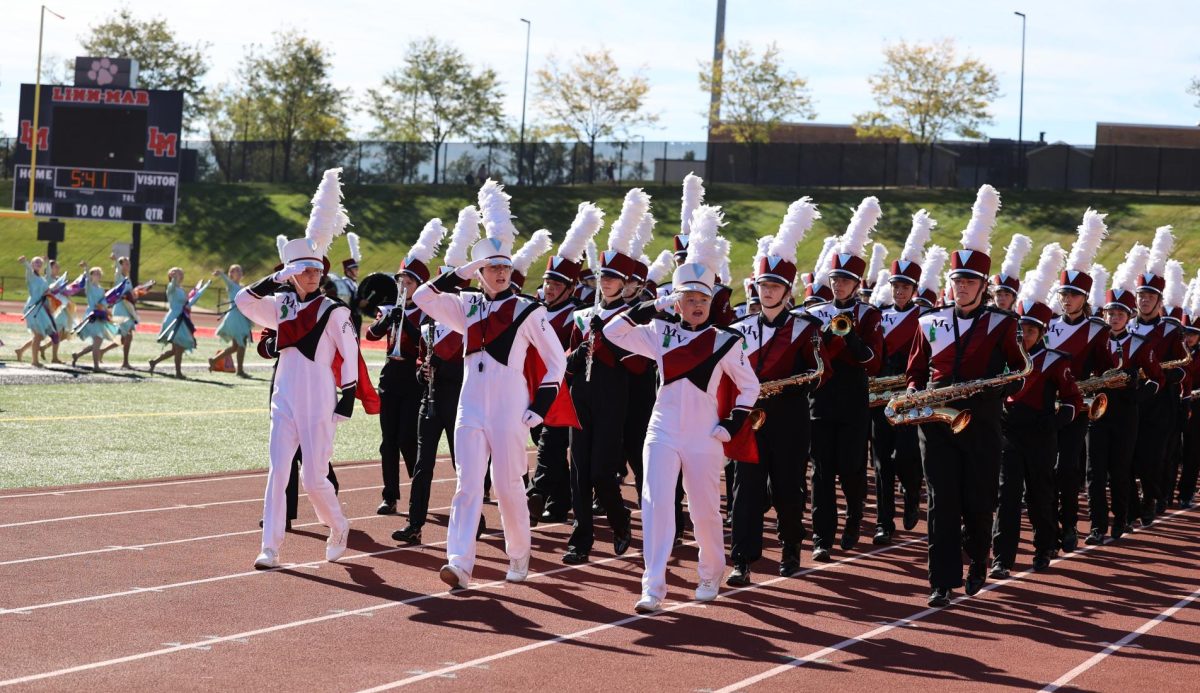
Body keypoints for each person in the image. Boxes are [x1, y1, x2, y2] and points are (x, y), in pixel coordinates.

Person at [413, 180, 570, 590]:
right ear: (480, 272)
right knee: (467, 485)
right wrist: (462, 270)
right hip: (471, 407)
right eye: (491, 267)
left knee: (506, 486)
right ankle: (459, 562)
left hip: (509, 408)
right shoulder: (466, 305)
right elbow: (423, 299)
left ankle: (519, 553)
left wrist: (540, 405)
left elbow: (556, 362)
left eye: (504, 267)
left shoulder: (526, 310)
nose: (499, 273)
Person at [605, 204, 759, 613]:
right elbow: (611, 331)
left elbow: (750, 386)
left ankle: (711, 571)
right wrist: (653, 306)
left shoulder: (726, 340)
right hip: (662, 430)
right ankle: (652, 586)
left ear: (712, 301)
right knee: (655, 505)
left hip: (705, 434)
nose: (695, 305)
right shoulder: (659, 332)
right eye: (688, 298)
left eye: (702, 299)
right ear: (677, 300)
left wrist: (730, 424)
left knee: (705, 511)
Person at [235, 166, 362, 570]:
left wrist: (348, 398)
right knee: (278, 471)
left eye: (314, 269)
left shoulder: (334, 309)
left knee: (313, 478)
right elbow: (244, 302)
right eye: (302, 270)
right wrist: (275, 279)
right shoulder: (282, 304)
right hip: (284, 395)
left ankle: (338, 524)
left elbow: (351, 355)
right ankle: (270, 547)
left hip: (320, 397)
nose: (310, 275)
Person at [905, 185, 1025, 608]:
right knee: (941, 501)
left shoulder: (1002, 323)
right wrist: (915, 398)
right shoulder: (930, 321)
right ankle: (941, 581)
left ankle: (977, 558)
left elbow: (1019, 372)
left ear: (983, 286)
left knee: (977, 500)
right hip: (937, 420)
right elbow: (915, 372)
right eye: (957, 280)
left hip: (983, 420)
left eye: (970, 281)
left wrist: (1001, 387)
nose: (961, 287)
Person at [727, 198, 829, 586]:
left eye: (774, 286)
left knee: (788, 487)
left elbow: (820, 374)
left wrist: (798, 381)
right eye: (763, 285)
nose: (767, 291)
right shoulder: (740, 327)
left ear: (787, 292)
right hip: (750, 415)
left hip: (789, 415)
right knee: (745, 489)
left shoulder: (805, 328)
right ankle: (742, 559)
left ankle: (790, 546)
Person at [560, 190, 649, 564]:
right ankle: (581, 540)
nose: (607, 282)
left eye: (614, 277)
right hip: (581, 397)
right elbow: (567, 357)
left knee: (600, 471)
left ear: (624, 280)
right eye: (603, 276)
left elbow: (640, 365)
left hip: (615, 398)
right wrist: (578, 353)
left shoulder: (636, 315)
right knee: (578, 471)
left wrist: (607, 341)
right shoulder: (583, 315)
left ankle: (619, 517)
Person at [991, 244, 1083, 577]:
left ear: (1042, 332)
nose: (1024, 336)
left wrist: (1056, 421)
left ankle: (1045, 548)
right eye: (1020, 330)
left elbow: (1073, 399)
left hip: (1042, 436)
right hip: (1010, 434)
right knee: (1007, 497)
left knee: (1041, 496)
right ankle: (1002, 558)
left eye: (1030, 331)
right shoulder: (1004, 360)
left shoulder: (1056, 362)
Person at [394, 206, 481, 544]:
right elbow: (418, 362)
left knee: (463, 465)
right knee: (422, 465)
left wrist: (442, 368)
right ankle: (415, 525)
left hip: (458, 400)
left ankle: (473, 518)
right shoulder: (428, 322)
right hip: (429, 401)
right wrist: (423, 372)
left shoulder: (466, 323)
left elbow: (470, 364)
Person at [804, 197, 884, 561]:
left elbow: (871, 359)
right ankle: (822, 537)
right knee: (821, 473)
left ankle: (854, 516)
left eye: (845, 280)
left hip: (852, 400)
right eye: (835, 278)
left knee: (851, 468)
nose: (838, 284)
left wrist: (849, 334)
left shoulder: (869, 314)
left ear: (857, 283)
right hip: (820, 400)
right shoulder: (814, 313)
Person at [526, 203, 603, 527]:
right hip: (535, 385)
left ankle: (537, 491)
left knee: (551, 443)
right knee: (546, 441)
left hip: (566, 388)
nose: (550, 288)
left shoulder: (578, 314)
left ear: (571, 288)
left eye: (557, 284)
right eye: (548, 283)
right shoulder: (536, 309)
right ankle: (559, 503)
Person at [1046, 210, 1114, 552]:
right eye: (1063, 293)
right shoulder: (1047, 326)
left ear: (1085, 298)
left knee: (1068, 468)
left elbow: (1105, 368)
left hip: (1077, 406)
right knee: (1044, 468)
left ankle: (1070, 523)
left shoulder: (1097, 331)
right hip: (1044, 404)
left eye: (1073, 294)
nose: (1066, 298)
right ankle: (1049, 526)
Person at [368, 220, 446, 516]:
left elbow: (426, 343)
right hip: (391, 374)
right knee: (387, 441)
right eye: (401, 281)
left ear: (420, 286)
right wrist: (389, 319)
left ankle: (418, 488)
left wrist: (409, 323)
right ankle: (390, 495)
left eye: (409, 282)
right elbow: (372, 335)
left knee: (406, 438)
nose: (403, 286)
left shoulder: (428, 312)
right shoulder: (388, 309)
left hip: (413, 379)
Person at [1086, 247, 1163, 544]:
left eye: (1119, 313)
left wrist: (1136, 395)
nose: (1114, 317)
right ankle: (1097, 526)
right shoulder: (1095, 341)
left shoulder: (1140, 344)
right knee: (1094, 472)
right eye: (1110, 313)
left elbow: (1157, 378)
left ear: (1128, 316)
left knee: (1120, 469)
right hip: (1097, 411)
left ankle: (1121, 519)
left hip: (1126, 412)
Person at [870, 210, 935, 545]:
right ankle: (885, 522)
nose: (898, 291)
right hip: (880, 397)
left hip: (910, 396)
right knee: (881, 462)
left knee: (907, 457)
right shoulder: (878, 316)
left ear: (914, 290)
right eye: (895, 286)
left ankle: (911, 494)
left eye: (905, 287)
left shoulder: (926, 319)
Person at [1129, 227, 1187, 526]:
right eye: (1141, 296)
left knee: (1153, 455)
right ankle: (1132, 502)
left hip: (1160, 402)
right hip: (1133, 398)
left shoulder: (1168, 329)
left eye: (1150, 296)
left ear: (1158, 299)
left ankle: (1151, 498)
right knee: (1130, 455)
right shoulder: (1126, 327)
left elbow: (1181, 364)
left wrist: (1172, 373)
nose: (1145, 301)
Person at [70, 263, 121, 372]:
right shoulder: (89, 286)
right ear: (91, 275)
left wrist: (108, 312)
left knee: (97, 343)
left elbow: (104, 303)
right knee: (98, 341)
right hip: (92, 316)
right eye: (95, 273)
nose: (97, 275)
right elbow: (87, 279)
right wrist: (86, 268)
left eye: (99, 273)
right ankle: (96, 366)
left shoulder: (101, 289)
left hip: (101, 315)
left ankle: (77, 355)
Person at [149, 268, 199, 378]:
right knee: (179, 347)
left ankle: (154, 362)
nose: (180, 274)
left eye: (181, 272)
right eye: (177, 273)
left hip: (181, 319)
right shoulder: (171, 287)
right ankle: (178, 373)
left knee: (175, 350)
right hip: (174, 319)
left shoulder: (180, 289)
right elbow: (171, 286)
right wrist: (173, 278)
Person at [210, 265, 254, 377]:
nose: (238, 272)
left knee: (236, 346)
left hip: (241, 317)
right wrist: (220, 273)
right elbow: (226, 280)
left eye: (240, 270)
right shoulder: (231, 285)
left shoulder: (243, 287)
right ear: (231, 274)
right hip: (235, 318)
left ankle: (214, 360)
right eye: (235, 271)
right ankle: (240, 371)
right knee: (241, 344)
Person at [14, 256, 56, 368]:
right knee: (38, 335)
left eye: (40, 262)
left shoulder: (42, 279)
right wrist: (25, 262)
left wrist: (47, 262)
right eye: (35, 262)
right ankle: (34, 361)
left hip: (41, 308)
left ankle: (21, 351)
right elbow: (28, 269)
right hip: (33, 307)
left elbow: (49, 276)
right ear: (32, 264)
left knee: (40, 335)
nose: (38, 263)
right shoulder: (31, 276)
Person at [988, 234, 1033, 315]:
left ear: (1014, 298)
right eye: (998, 294)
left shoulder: (1017, 321)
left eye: (1007, 295)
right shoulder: (982, 315)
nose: (1002, 298)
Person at [111, 255, 140, 370]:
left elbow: (130, 293)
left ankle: (102, 351)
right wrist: (116, 260)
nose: (129, 266)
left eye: (129, 263)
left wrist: (136, 295)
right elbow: (118, 269)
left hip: (128, 309)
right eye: (126, 264)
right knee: (128, 336)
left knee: (124, 338)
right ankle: (125, 362)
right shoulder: (119, 276)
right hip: (120, 308)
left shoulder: (128, 279)